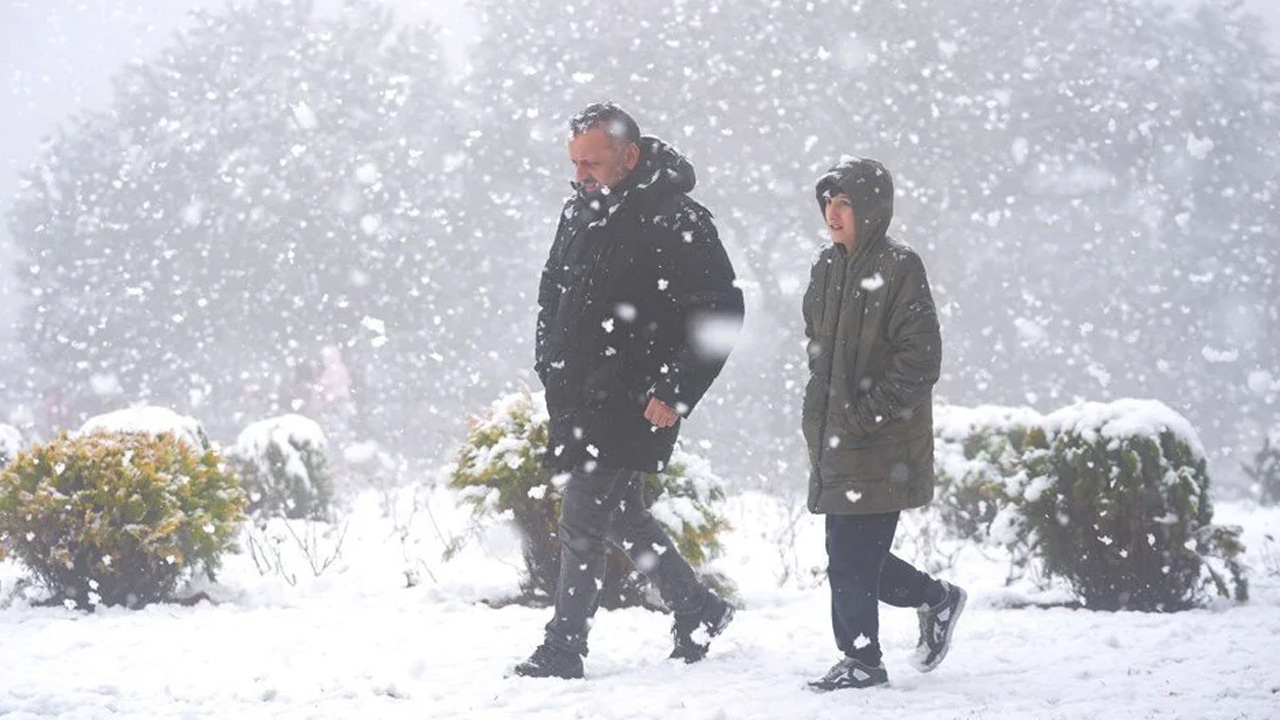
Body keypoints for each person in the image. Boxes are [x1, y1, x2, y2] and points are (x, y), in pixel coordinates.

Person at [514, 102, 745, 680]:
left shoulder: (675, 218)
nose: (580, 175)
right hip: (576, 393)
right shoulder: (579, 212)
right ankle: (698, 608)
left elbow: (720, 311)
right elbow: (552, 295)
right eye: (575, 163)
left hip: (636, 398)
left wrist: (675, 388)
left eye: (592, 162)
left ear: (630, 156)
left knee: (582, 521)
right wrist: (550, 361)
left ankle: (564, 647)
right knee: (622, 517)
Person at [801, 156, 967, 691]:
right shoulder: (826, 268)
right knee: (849, 558)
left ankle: (863, 661)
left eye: (845, 201)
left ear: (871, 209)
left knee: (851, 559)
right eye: (828, 200)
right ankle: (937, 598)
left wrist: (867, 413)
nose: (833, 211)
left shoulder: (899, 268)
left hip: (882, 444)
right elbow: (818, 346)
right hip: (836, 439)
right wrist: (826, 413)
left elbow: (921, 358)